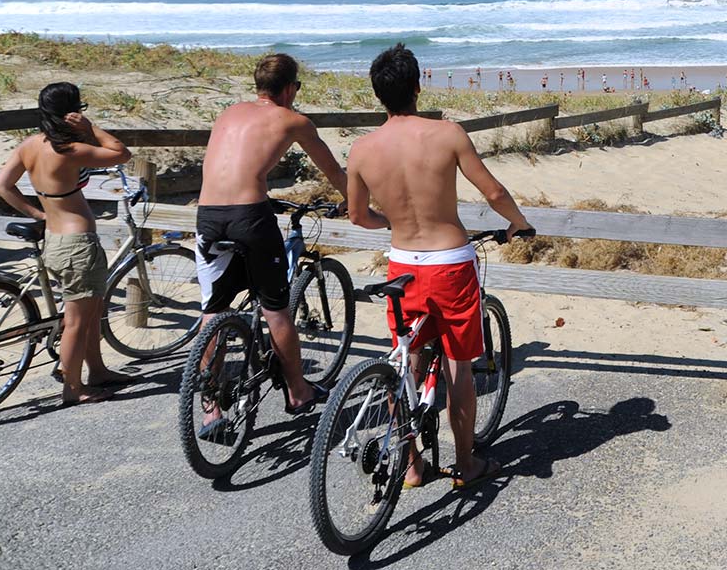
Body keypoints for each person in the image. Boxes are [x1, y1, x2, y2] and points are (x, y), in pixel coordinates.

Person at [347, 44, 532, 489]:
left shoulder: (362, 149)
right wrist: (519, 223)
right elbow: (492, 192)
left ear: (378, 95)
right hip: (449, 264)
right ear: (417, 85)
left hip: (402, 264)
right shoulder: (447, 133)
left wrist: (393, 221)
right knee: (458, 366)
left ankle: (412, 465)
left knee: (406, 363)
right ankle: (465, 465)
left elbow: (357, 216)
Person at [195, 54, 345, 440]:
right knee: (275, 308)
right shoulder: (293, 120)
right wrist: (355, 205)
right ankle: (297, 392)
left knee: (213, 311)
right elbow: (333, 172)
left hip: (208, 214)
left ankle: (211, 409)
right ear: (290, 88)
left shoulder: (229, 113)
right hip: (249, 215)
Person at [0, 83, 136, 405]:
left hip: (55, 240)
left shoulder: (29, 146)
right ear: (73, 112)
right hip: (78, 244)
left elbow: (3, 185)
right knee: (76, 321)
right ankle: (73, 388)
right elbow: (121, 152)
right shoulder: (70, 150)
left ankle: (97, 370)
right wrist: (90, 127)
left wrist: (38, 213)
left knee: (91, 309)